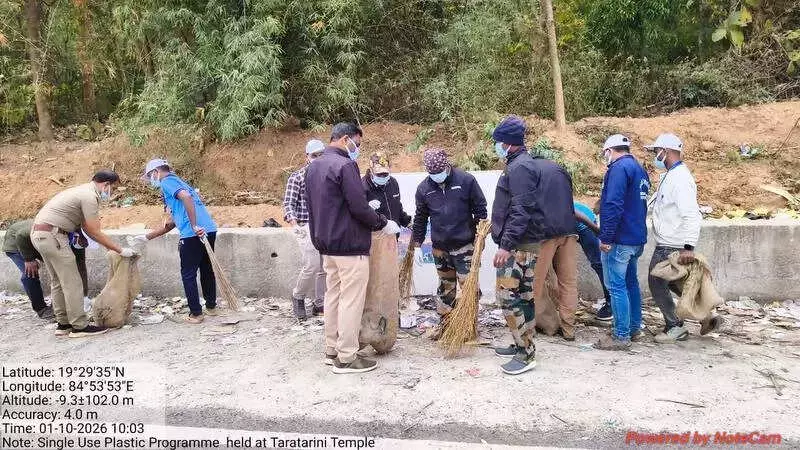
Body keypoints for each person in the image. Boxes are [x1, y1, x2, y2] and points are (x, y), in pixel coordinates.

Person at [305, 122, 397, 374]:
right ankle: (346, 357)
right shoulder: (345, 166)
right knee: (351, 301)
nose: (358, 148)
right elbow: (358, 206)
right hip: (349, 246)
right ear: (346, 139)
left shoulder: (314, 167)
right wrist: (382, 223)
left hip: (327, 246)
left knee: (333, 297)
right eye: (357, 142)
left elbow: (313, 208)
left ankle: (331, 349)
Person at [490, 116, 575, 374]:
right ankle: (522, 345)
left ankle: (525, 353)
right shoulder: (520, 164)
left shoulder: (520, 168)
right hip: (523, 243)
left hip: (520, 245)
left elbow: (521, 209)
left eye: (498, 142)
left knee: (508, 297)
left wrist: (506, 245)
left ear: (507, 142)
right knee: (524, 297)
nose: (496, 146)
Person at [31, 170, 135, 338]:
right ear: (106, 185)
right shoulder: (89, 196)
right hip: (54, 235)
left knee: (58, 281)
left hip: (40, 234)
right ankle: (79, 326)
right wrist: (120, 250)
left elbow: (86, 227)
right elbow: (94, 230)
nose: (112, 192)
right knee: (73, 282)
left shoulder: (80, 191)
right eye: (113, 188)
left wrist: (109, 247)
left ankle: (63, 324)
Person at [412, 148, 487, 333]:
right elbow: (420, 217)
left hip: (464, 246)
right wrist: (417, 242)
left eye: (439, 172)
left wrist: (480, 236)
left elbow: (480, 209)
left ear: (446, 166)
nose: (436, 176)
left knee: (469, 287)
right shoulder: (424, 189)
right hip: (440, 249)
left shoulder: (466, 180)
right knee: (446, 288)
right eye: (432, 173)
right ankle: (446, 327)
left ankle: (469, 326)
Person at [141, 159, 219, 324]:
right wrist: (148, 237)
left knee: (188, 274)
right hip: (209, 229)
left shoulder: (167, 182)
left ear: (156, 172)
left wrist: (194, 225)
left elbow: (186, 197)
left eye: (150, 176)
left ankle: (196, 314)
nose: (151, 180)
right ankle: (211, 307)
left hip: (192, 234)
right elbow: (173, 222)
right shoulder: (180, 182)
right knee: (207, 269)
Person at [593, 134, 650, 351]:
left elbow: (613, 204)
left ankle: (621, 335)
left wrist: (606, 237)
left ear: (610, 151)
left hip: (620, 239)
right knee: (631, 283)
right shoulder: (639, 169)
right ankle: (634, 327)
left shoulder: (618, 169)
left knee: (616, 287)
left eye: (605, 153)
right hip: (636, 237)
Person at [645, 133, 703, 343]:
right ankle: (706, 314)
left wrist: (689, 246)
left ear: (666, 151)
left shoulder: (680, 179)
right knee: (675, 283)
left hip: (672, 243)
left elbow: (691, 214)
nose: (655, 156)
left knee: (656, 281)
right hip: (669, 241)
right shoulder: (671, 175)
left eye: (656, 151)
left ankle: (675, 325)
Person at [3, 220, 92, 320]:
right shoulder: (51, 229)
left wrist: (84, 296)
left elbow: (80, 267)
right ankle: (41, 309)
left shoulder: (79, 241)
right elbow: (21, 235)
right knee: (30, 273)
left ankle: (59, 306)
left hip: (37, 243)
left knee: (62, 272)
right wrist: (29, 259)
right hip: (17, 243)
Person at [284, 139, 327, 321]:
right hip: (306, 225)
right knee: (311, 265)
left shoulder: (328, 175)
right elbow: (288, 204)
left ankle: (320, 302)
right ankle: (298, 296)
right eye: (314, 155)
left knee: (324, 267)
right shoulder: (298, 177)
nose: (317, 158)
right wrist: (295, 225)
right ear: (307, 157)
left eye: (321, 155)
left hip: (325, 225)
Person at [573, 201, 612, 321]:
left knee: (598, 264)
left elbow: (573, 212)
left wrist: (595, 229)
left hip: (585, 224)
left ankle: (611, 304)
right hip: (575, 223)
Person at [362, 152, 412, 234]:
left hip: (393, 233)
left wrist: (407, 222)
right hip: (374, 235)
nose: (382, 177)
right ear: (371, 170)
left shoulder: (393, 182)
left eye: (385, 174)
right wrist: (367, 207)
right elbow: (358, 213)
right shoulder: (362, 187)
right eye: (379, 174)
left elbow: (397, 206)